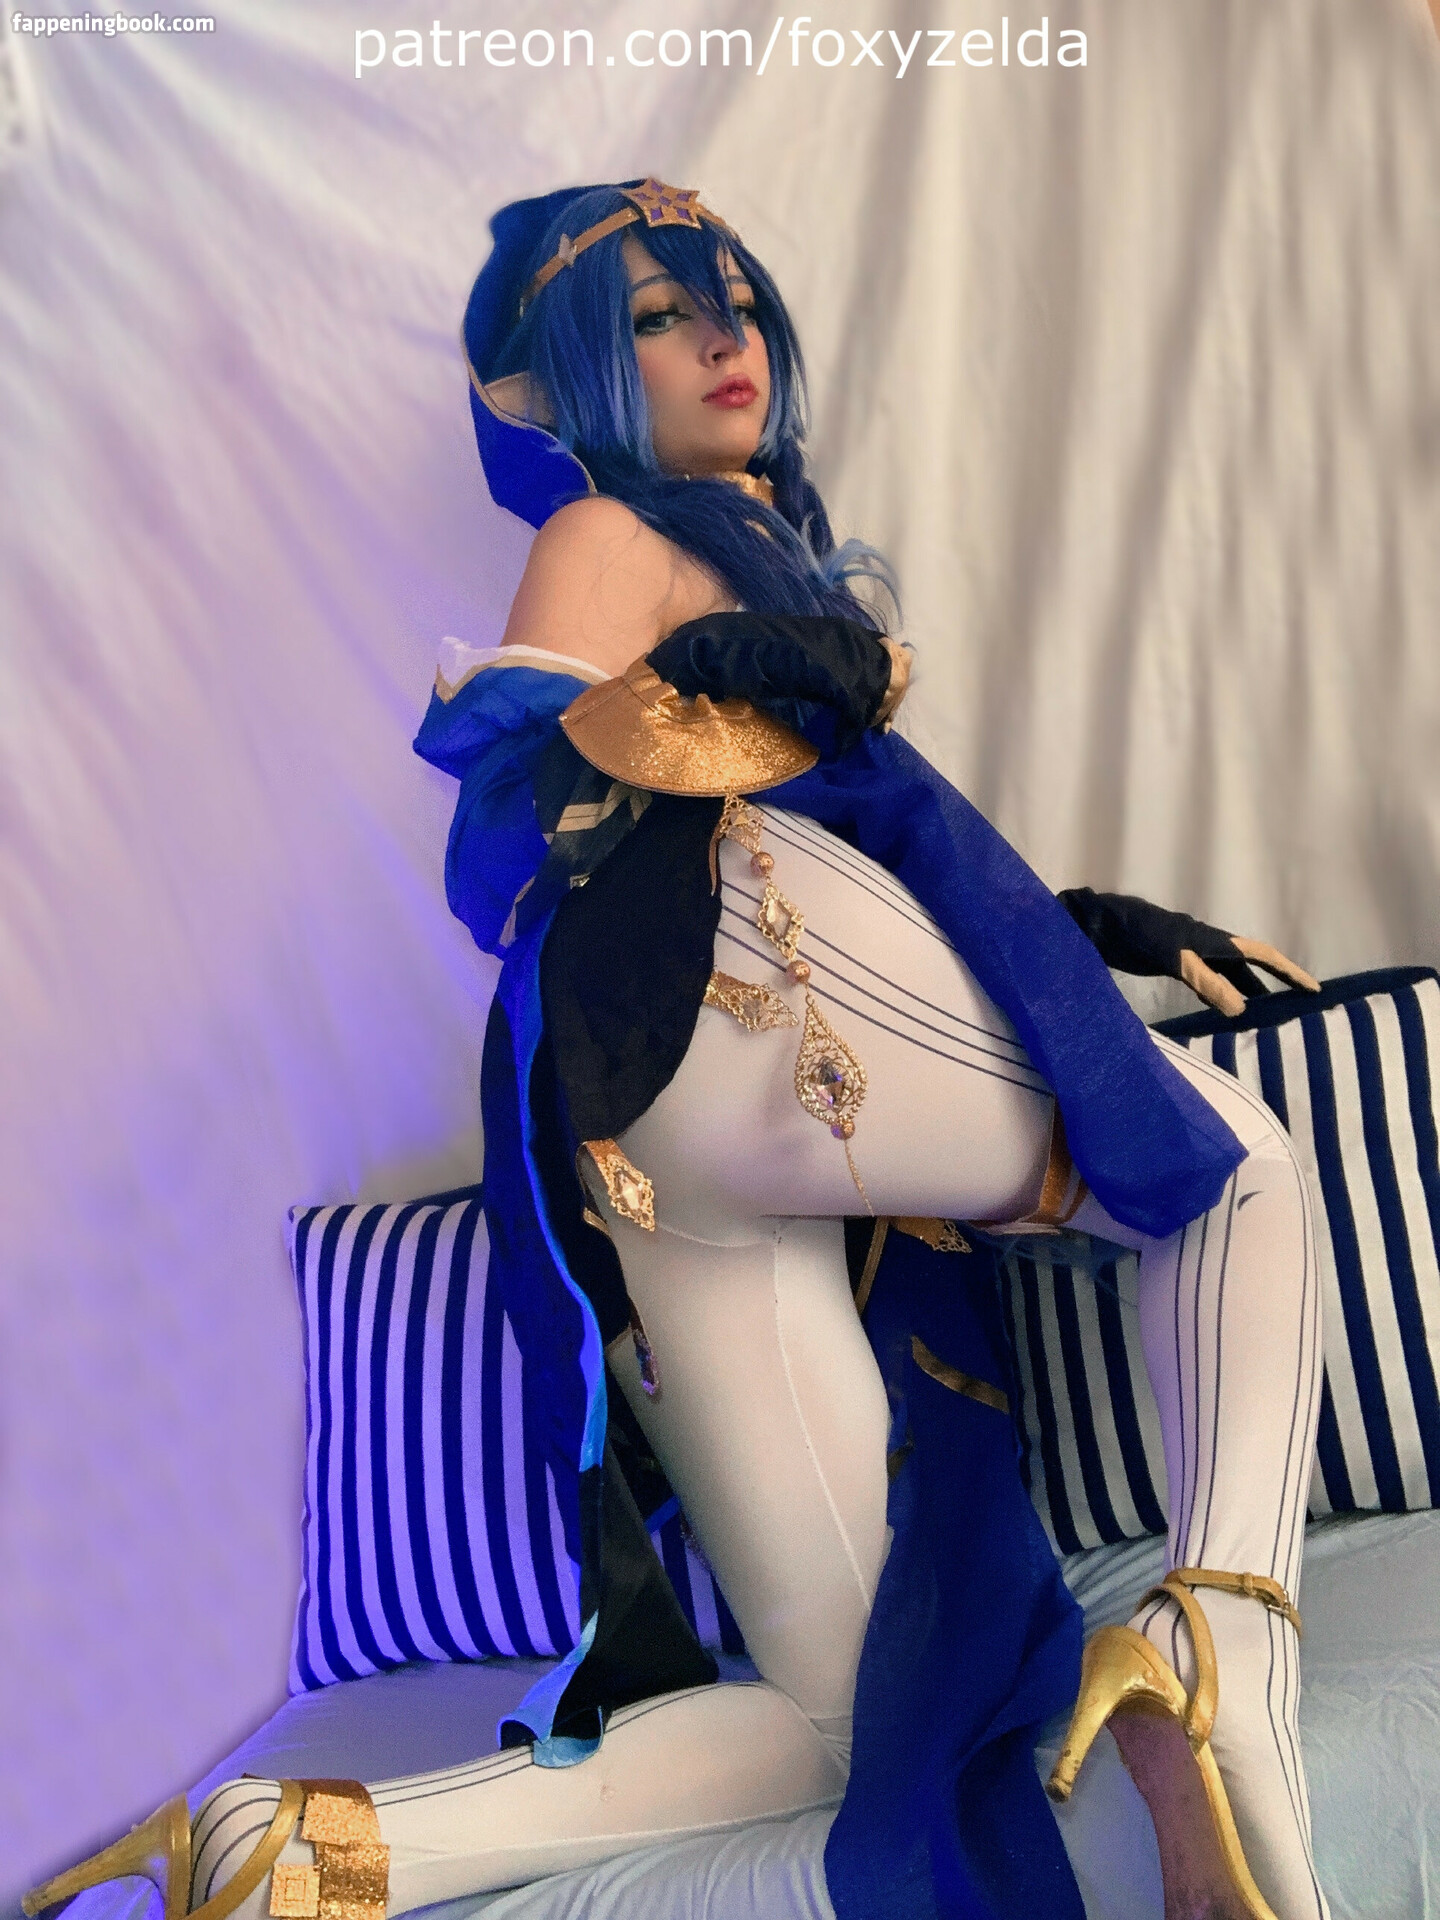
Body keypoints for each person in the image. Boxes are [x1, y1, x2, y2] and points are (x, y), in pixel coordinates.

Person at [27, 180, 1331, 1920]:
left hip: (650, 1130)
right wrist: (665, 697)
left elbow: (902, 885)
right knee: (1238, 1174)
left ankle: (297, 1851)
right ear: (570, 380)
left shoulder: (745, 555)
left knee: (840, 1710)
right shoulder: (609, 530)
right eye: (656, 314)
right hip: (717, 995)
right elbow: (509, 823)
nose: (724, 336)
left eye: (734, 301)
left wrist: (1088, 925)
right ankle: (1222, 1641)